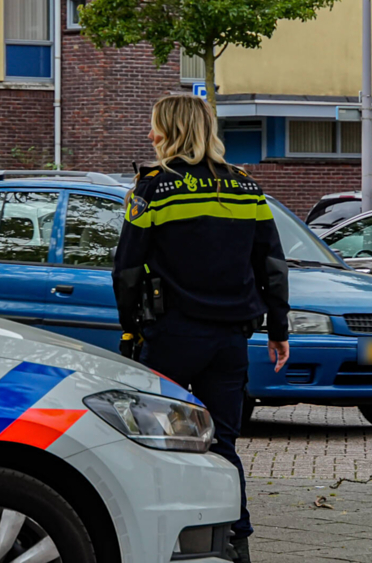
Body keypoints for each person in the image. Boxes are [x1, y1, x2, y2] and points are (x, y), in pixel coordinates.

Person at [112, 94, 290, 563]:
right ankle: (237, 540)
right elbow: (272, 263)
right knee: (223, 443)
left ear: (169, 132)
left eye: (154, 127)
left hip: (171, 336)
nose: (150, 136)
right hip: (232, 337)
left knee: (158, 442)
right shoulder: (247, 189)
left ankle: (166, 540)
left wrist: (129, 331)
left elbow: (127, 270)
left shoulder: (151, 189)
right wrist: (279, 327)